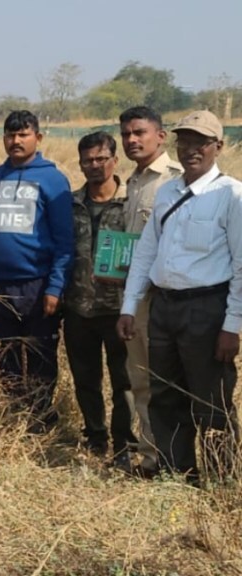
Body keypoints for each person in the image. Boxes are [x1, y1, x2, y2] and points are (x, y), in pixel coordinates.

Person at [117, 110, 241, 484]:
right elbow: (145, 254)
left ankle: (222, 480)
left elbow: (241, 265)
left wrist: (232, 325)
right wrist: (128, 306)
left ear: (218, 147)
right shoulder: (169, 191)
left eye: (201, 142)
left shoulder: (231, 194)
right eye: (184, 141)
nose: (191, 149)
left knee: (211, 400)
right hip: (164, 308)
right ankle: (177, 476)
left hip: (207, 308)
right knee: (165, 396)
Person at [0, 110, 73, 432]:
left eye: (23, 135)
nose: (15, 141)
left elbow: (65, 241)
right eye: (10, 135)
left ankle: (41, 417)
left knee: (40, 354)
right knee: (1, 353)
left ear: (38, 138)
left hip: (36, 284)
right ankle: (10, 416)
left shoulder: (53, 180)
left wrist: (55, 287)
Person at [64, 131, 134, 471]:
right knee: (85, 379)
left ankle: (124, 444)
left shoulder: (131, 201)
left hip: (119, 309)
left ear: (114, 161)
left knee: (124, 381)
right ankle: (95, 437)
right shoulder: (72, 203)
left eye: (100, 159)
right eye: (87, 160)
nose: (94, 166)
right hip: (78, 307)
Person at [118, 106, 182, 477]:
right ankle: (152, 457)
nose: (132, 140)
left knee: (171, 382)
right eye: (126, 134)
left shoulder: (173, 180)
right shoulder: (135, 181)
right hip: (135, 299)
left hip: (168, 299)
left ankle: (180, 458)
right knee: (141, 380)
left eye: (139, 132)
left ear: (161, 135)